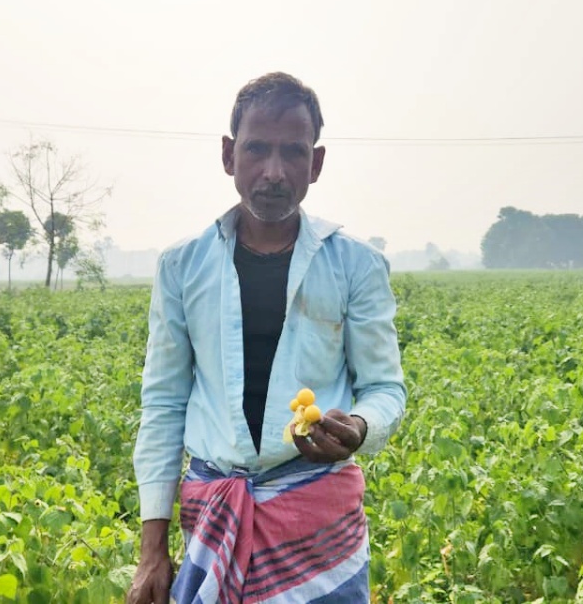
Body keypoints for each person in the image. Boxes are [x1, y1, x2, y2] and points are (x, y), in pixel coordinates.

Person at [127, 71, 407, 603]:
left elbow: (385, 388)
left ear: (315, 164)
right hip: (216, 513)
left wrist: (360, 427)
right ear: (229, 155)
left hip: (316, 516)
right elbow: (163, 402)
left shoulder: (356, 267)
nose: (274, 172)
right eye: (257, 149)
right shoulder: (184, 266)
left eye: (293, 153)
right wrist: (151, 550)